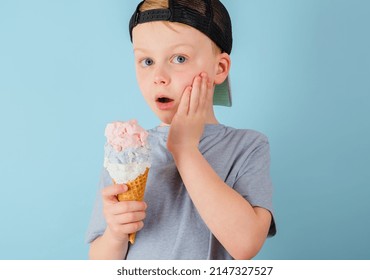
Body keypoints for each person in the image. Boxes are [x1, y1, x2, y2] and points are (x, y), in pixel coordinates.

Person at [86, 0, 276, 260]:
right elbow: (99, 261)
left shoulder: (248, 146)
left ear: (219, 68)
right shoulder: (126, 151)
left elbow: (245, 245)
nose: (159, 76)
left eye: (179, 58)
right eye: (147, 61)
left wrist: (184, 148)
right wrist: (116, 234)